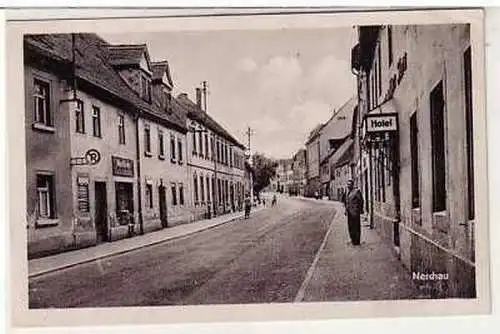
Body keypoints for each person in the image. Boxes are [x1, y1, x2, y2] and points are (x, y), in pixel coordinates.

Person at [344, 180, 364, 246]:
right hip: (349, 213)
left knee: (356, 227)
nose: (348, 186)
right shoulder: (348, 192)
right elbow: (347, 202)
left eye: (349, 184)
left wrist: (359, 209)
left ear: (352, 185)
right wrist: (346, 210)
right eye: (347, 185)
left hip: (355, 212)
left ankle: (357, 241)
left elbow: (361, 201)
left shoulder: (356, 191)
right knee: (350, 227)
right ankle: (353, 240)